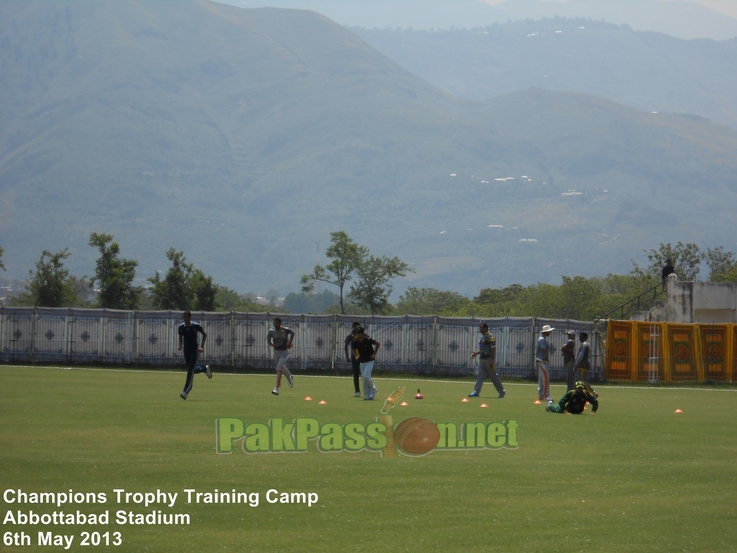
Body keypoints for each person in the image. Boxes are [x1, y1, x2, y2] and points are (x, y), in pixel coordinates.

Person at [178, 311, 211, 400]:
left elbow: (204, 334)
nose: (185, 319)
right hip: (186, 350)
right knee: (191, 369)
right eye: (184, 317)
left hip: (194, 350)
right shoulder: (181, 327)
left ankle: (185, 391)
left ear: (190, 317)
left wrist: (201, 347)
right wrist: (180, 345)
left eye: (186, 317)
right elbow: (180, 337)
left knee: (190, 371)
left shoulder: (195, 326)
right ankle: (204, 369)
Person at [469, 322, 506, 398]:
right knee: (480, 376)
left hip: (489, 360)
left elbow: (493, 349)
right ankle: (476, 392)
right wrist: (476, 353)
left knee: (494, 377)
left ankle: (502, 392)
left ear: (485, 328)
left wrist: (492, 360)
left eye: (481, 328)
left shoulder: (491, 337)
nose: (480, 329)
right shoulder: (482, 337)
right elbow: (483, 349)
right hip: (482, 360)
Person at [267, 317, 295, 396]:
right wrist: (273, 345)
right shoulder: (271, 331)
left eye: (277, 323)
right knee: (282, 367)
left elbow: (293, 332)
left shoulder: (285, 330)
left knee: (279, 368)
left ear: (280, 323)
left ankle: (277, 388)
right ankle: (289, 377)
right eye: (274, 323)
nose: (275, 325)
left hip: (284, 353)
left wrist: (290, 343)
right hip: (276, 353)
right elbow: (268, 341)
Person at [351, 327, 380, 400]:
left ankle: (373, 389)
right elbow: (353, 351)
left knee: (366, 376)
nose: (356, 335)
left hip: (369, 361)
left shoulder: (368, 340)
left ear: (361, 334)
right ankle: (368, 395)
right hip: (362, 362)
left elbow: (378, 344)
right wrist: (356, 356)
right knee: (363, 380)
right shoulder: (355, 342)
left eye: (357, 334)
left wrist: (374, 354)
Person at [344, 321, 364, 398]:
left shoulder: (362, 335)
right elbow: (346, 345)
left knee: (364, 374)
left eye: (358, 326)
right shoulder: (350, 336)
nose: (357, 328)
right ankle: (357, 391)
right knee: (356, 374)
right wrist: (347, 356)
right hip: (354, 357)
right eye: (355, 327)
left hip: (363, 357)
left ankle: (367, 390)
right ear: (353, 327)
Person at [574, 331, 598, 397]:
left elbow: (581, 355)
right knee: (580, 380)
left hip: (583, 365)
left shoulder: (584, 345)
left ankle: (593, 393)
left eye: (580, 337)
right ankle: (585, 394)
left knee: (582, 380)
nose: (579, 338)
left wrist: (576, 364)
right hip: (584, 364)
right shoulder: (585, 344)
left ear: (585, 337)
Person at [536, 324, 555, 402]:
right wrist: (548, 348)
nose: (550, 333)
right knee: (546, 378)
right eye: (549, 331)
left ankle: (541, 395)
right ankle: (546, 395)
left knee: (541, 379)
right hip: (541, 361)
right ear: (546, 332)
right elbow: (544, 350)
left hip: (542, 360)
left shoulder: (543, 339)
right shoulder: (541, 339)